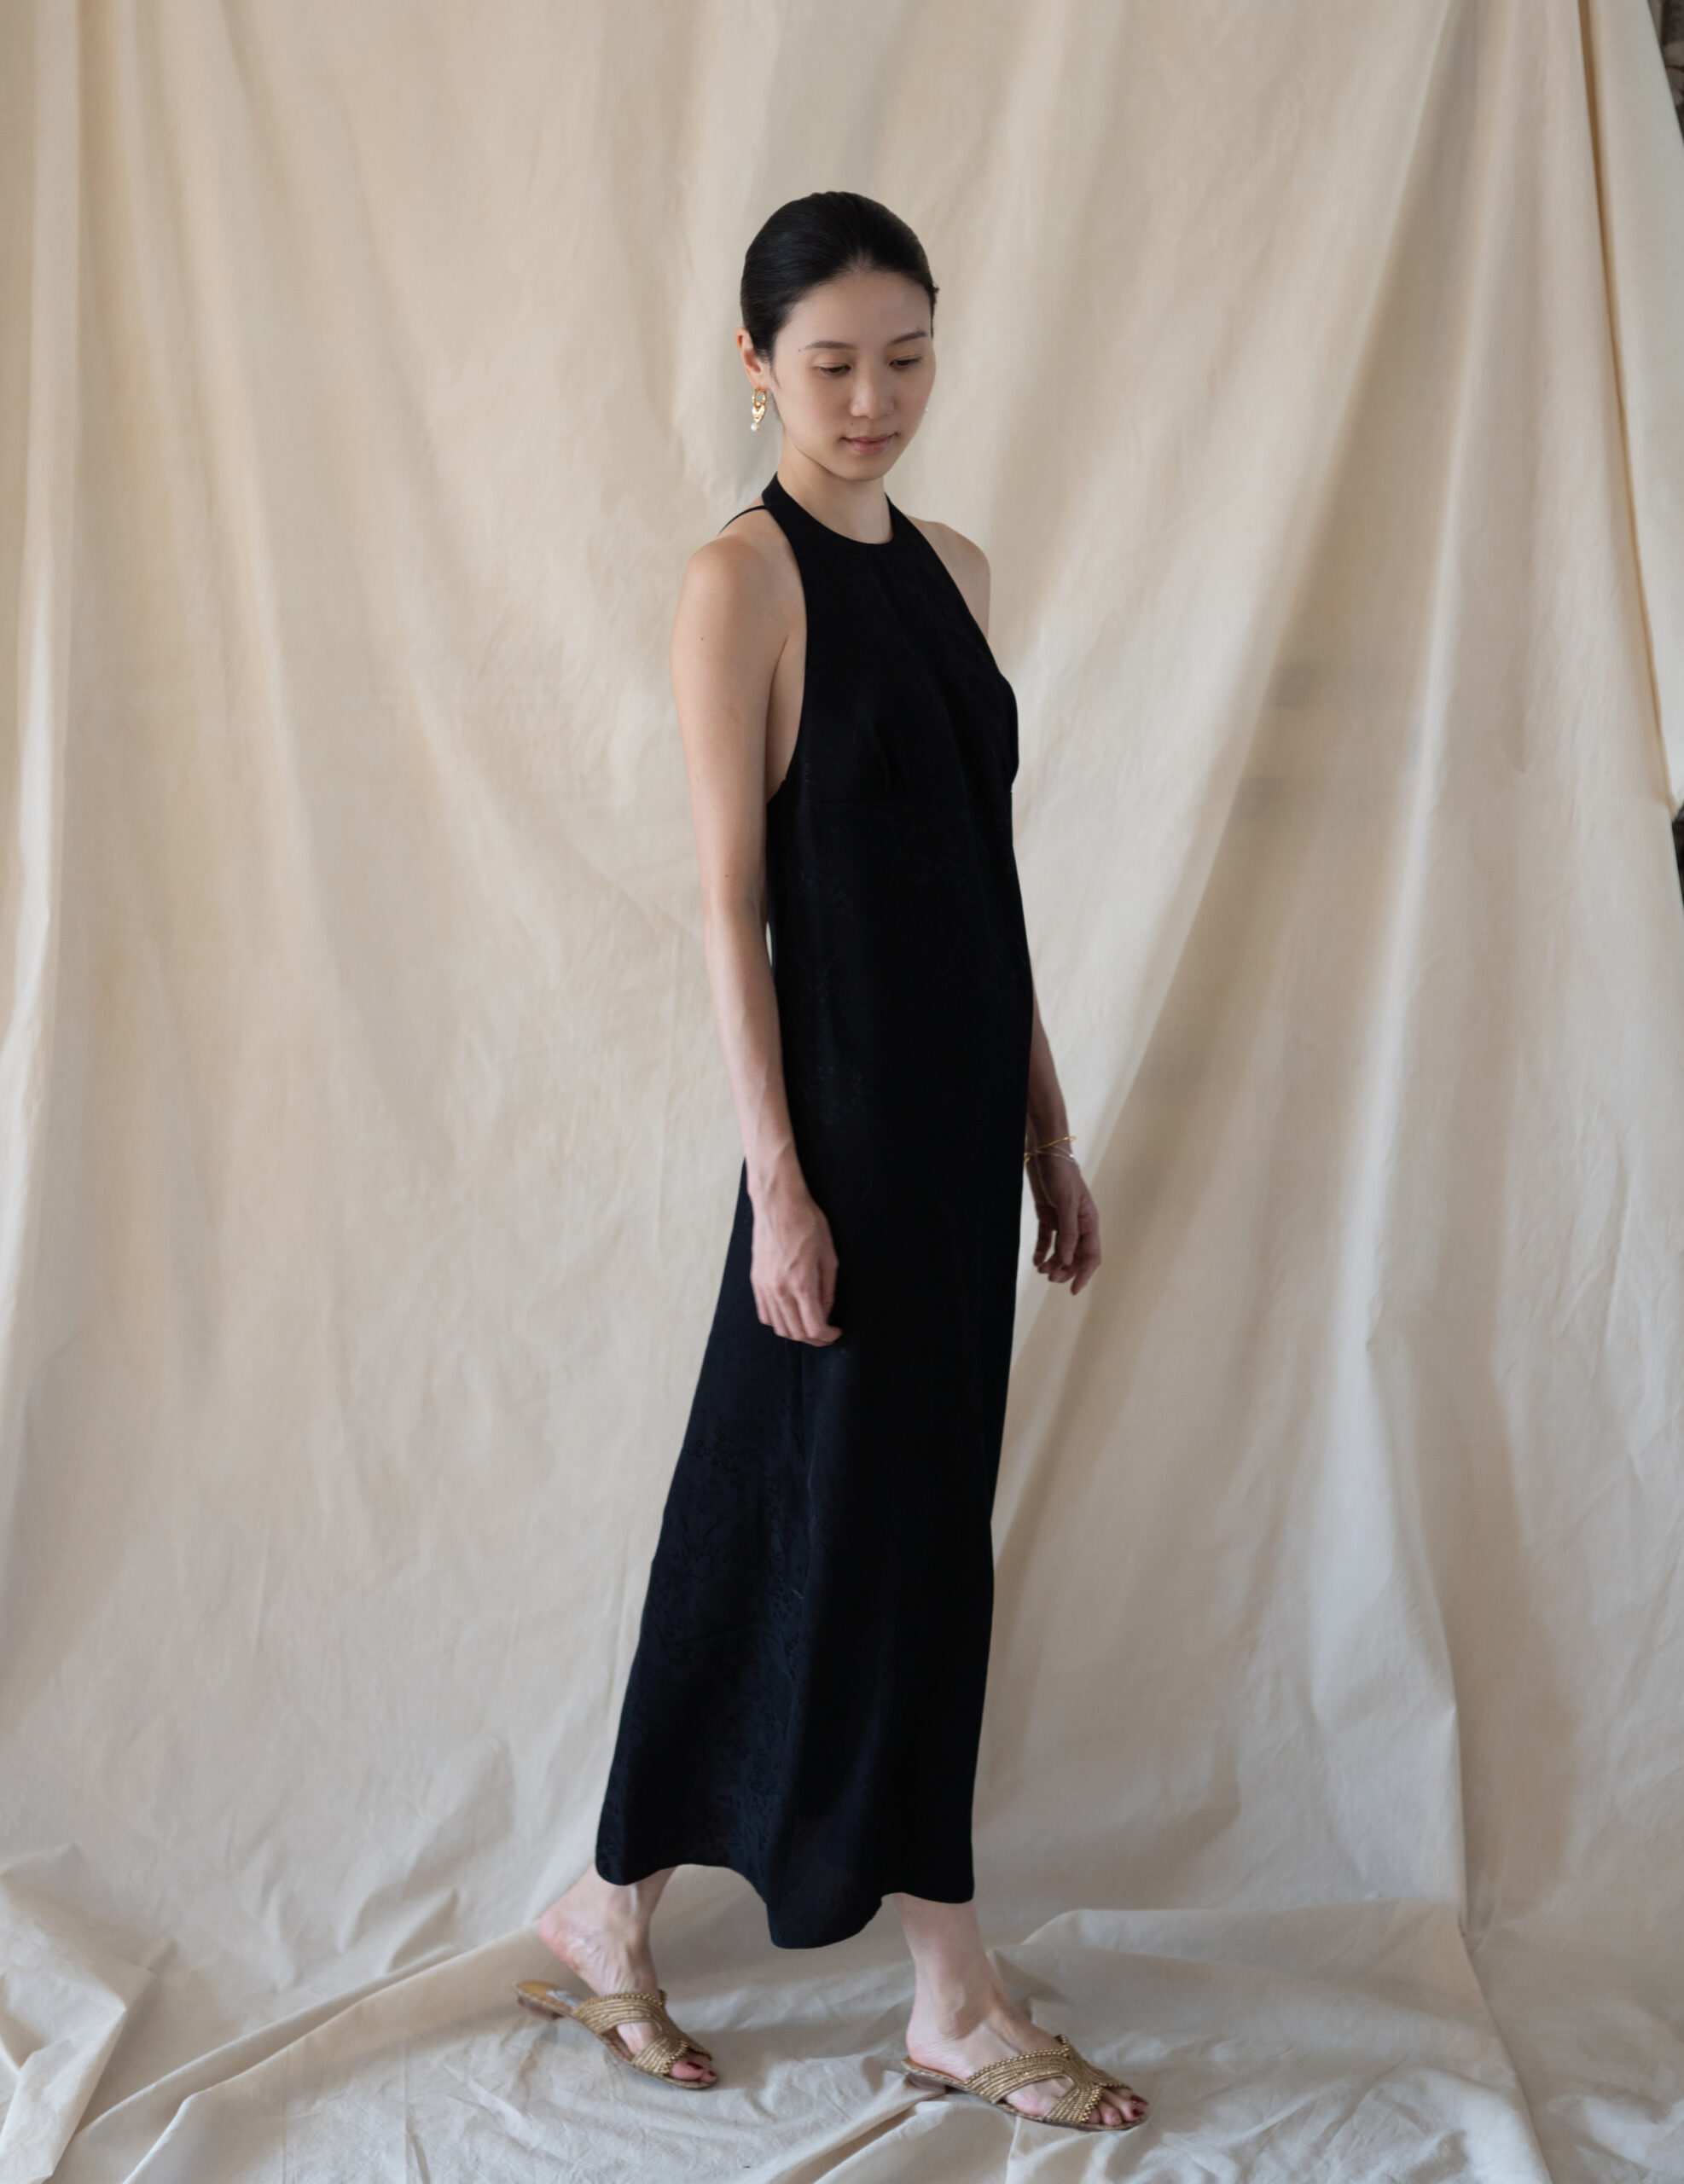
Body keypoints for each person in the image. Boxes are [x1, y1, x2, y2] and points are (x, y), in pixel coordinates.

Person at [515, 191, 1147, 2135]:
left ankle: (606, 1910)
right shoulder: (743, 584)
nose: (874, 400)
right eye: (832, 365)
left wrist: (1045, 1122)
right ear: (756, 366)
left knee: (795, 1515)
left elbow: (979, 878)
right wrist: (778, 1185)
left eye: (907, 357)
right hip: (846, 1135)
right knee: (870, 1537)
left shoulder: (953, 567)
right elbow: (731, 911)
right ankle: (950, 1989)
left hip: (960, 1134)